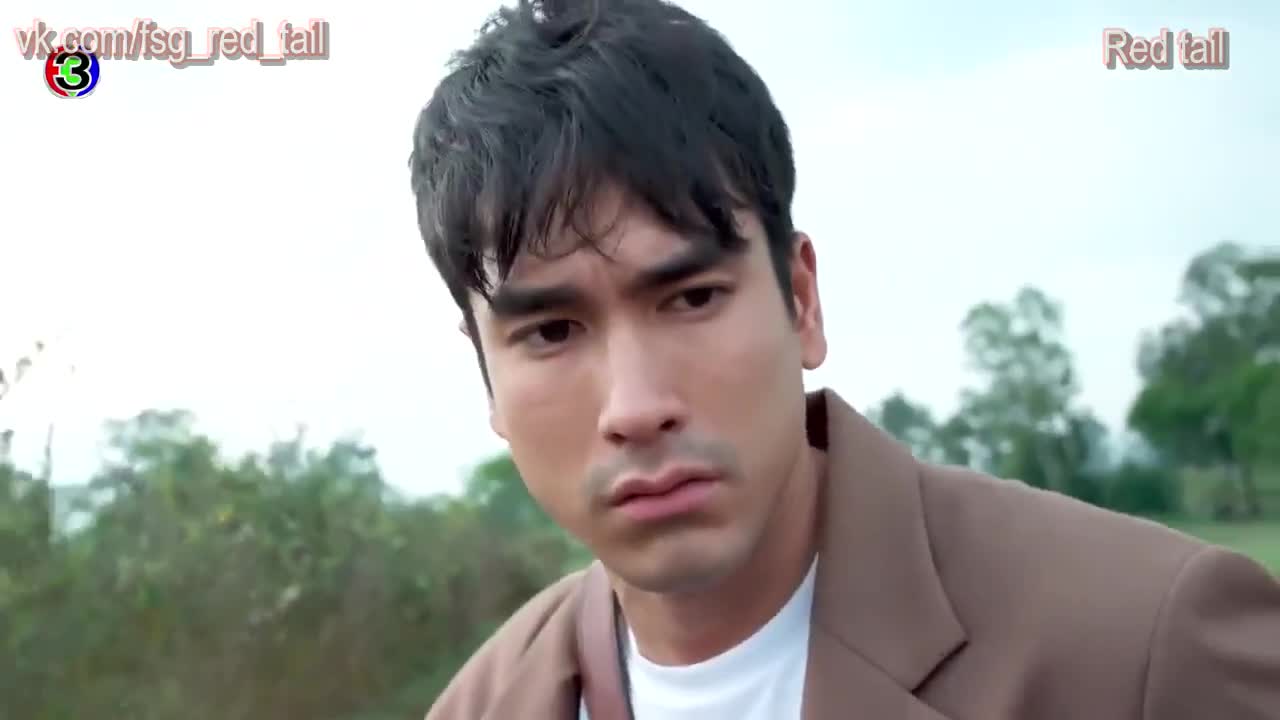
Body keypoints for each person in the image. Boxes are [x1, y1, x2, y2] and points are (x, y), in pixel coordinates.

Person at [407, 0, 1280, 717]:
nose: (635, 407)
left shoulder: (1147, 651)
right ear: (487, 376)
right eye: (551, 332)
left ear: (802, 301)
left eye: (692, 298)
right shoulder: (485, 705)